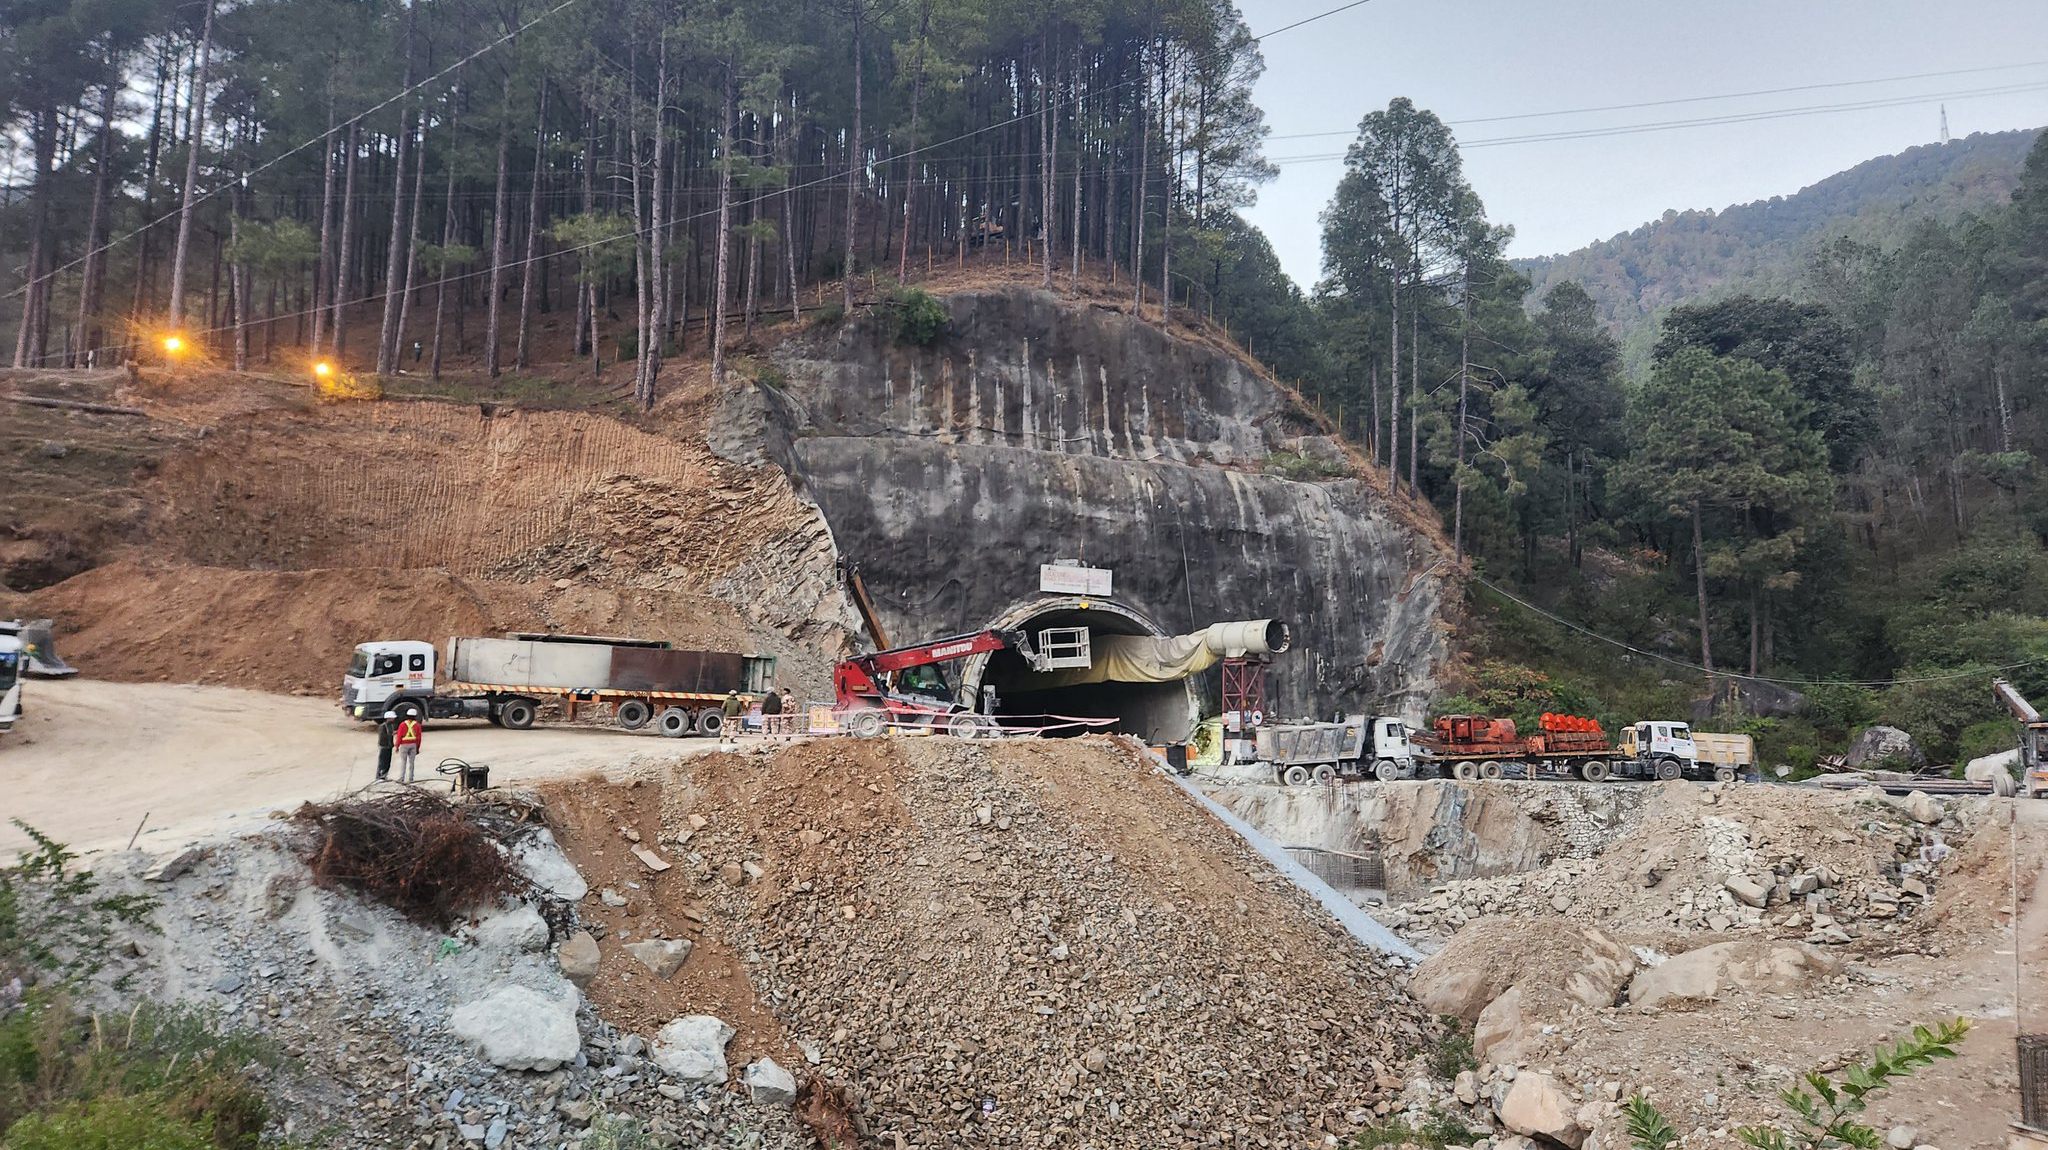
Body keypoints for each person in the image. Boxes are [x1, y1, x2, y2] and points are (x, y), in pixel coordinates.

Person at [394, 710, 425, 783]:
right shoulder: (417, 725)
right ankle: (411, 779)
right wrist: (418, 748)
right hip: (413, 745)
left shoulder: (402, 724)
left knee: (403, 762)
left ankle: (401, 778)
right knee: (412, 763)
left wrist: (397, 746)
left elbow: (399, 736)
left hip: (404, 745)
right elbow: (419, 738)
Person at [375, 711, 396, 781]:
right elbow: (382, 737)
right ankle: (379, 776)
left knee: (388, 762)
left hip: (389, 746)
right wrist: (391, 735)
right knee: (382, 762)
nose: (394, 719)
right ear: (388, 718)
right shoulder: (383, 726)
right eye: (393, 718)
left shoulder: (391, 726)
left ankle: (384, 775)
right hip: (384, 746)